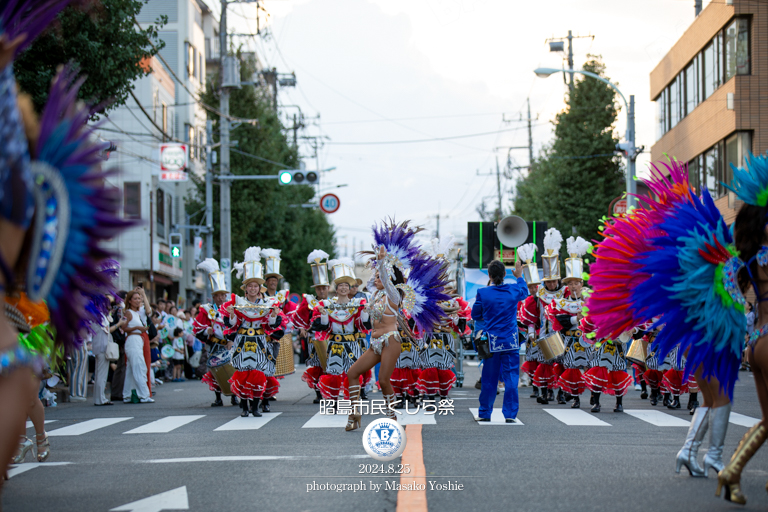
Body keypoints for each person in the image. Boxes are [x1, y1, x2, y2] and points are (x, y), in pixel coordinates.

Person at [345, 220, 451, 431]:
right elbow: (369, 283)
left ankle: (392, 418)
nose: (375, 279)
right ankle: (354, 413)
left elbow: (385, 276)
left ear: (389, 279)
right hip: (375, 342)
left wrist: (384, 264)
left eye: (378, 277)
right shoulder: (374, 295)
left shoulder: (394, 295)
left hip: (391, 341)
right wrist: (379, 259)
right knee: (352, 373)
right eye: (374, 276)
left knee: (384, 381)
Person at [222, 247, 286, 417]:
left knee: (258, 372)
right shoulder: (238, 302)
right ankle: (244, 407)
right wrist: (231, 314)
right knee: (243, 372)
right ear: (246, 287)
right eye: (249, 285)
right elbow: (233, 325)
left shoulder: (267, 304)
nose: (252, 288)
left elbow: (270, 326)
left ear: (259, 288)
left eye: (255, 286)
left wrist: (273, 315)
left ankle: (256, 406)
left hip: (259, 340)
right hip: (242, 340)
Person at [471, 259, 528, 423]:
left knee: (489, 379)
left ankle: (484, 413)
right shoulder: (513, 290)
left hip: (491, 341)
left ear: (489, 275)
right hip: (511, 340)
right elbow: (524, 291)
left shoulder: (483, 292)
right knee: (511, 378)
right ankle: (510, 414)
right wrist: (519, 276)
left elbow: (475, 315)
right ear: (504, 274)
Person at [312, 258, 370, 408]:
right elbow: (323, 327)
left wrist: (365, 312)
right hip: (335, 344)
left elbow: (363, 325)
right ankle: (334, 401)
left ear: (350, 288)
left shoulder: (357, 304)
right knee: (334, 373)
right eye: (340, 285)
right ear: (336, 288)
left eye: (346, 285)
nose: (343, 288)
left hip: (352, 343)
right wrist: (324, 314)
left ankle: (352, 401)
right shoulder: (328, 305)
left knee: (353, 373)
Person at [519, 228, 568, 405]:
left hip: (561, 333)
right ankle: (546, 392)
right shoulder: (538, 294)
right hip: (544, 333)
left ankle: (562, 392)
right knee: (545, 364)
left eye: (554, 281)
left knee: (562, 364)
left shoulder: (565, 292)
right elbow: (532, 317)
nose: (552, 284)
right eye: (548, 281)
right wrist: (531, 330)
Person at [551, 237, 592, 409]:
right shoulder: (562, 301)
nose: (574, 286)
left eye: (577, 283)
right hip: (570, 339)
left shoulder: (590, 297)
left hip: (588, 339)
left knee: (592, 367)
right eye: (571, 283)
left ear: (582, 283)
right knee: (572, 368)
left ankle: (594, 396)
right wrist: (577, 317)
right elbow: (560, 320)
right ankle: (575, 397)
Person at [194, 258, 238, 407]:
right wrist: (207, 331)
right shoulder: (207, 310)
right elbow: (198, 329)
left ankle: (234, 396)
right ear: (213, 296)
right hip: (214, 345)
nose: (220, 298)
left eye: (222, 295)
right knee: (215, 370)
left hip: (229, 345)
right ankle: (218, 397)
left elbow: (237, 326)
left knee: (233, 370)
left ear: (226, 296)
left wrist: (232, 339)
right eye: (217, 295)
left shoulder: (231, 308)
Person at [292, 250, 332, 404]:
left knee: (329, 364)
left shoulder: (333, 302)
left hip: (329, 337)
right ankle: (318, 393)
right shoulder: (308, 302)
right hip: (313, 337)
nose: (321, 291)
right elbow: (301, 318)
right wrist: (303, 329)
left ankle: (329, 391)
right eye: (319, 288)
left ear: (328, 288)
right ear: (315, 290)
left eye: (324, 288)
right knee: (316, 364)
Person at [123, 290, 154, 403]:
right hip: (132, 339)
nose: (137, 301)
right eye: (135, 299)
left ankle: (127, 395)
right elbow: (123, 328)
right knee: (139, 367)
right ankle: (143, 395)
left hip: (138, 339)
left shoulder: (136, 313)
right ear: (130, 301)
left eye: (139, 298)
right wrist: (138, 328)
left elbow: (148, 311)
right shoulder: (128, 313)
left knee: (131, 369)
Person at [92, 304, 124, 406]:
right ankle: (101, 399)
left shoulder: (95, 316)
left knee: (98, 374)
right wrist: (119, 324)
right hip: (103, 347)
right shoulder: (101, 316)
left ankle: (98, 398)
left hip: (97, 346)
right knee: (102, 374)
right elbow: (107, 330)